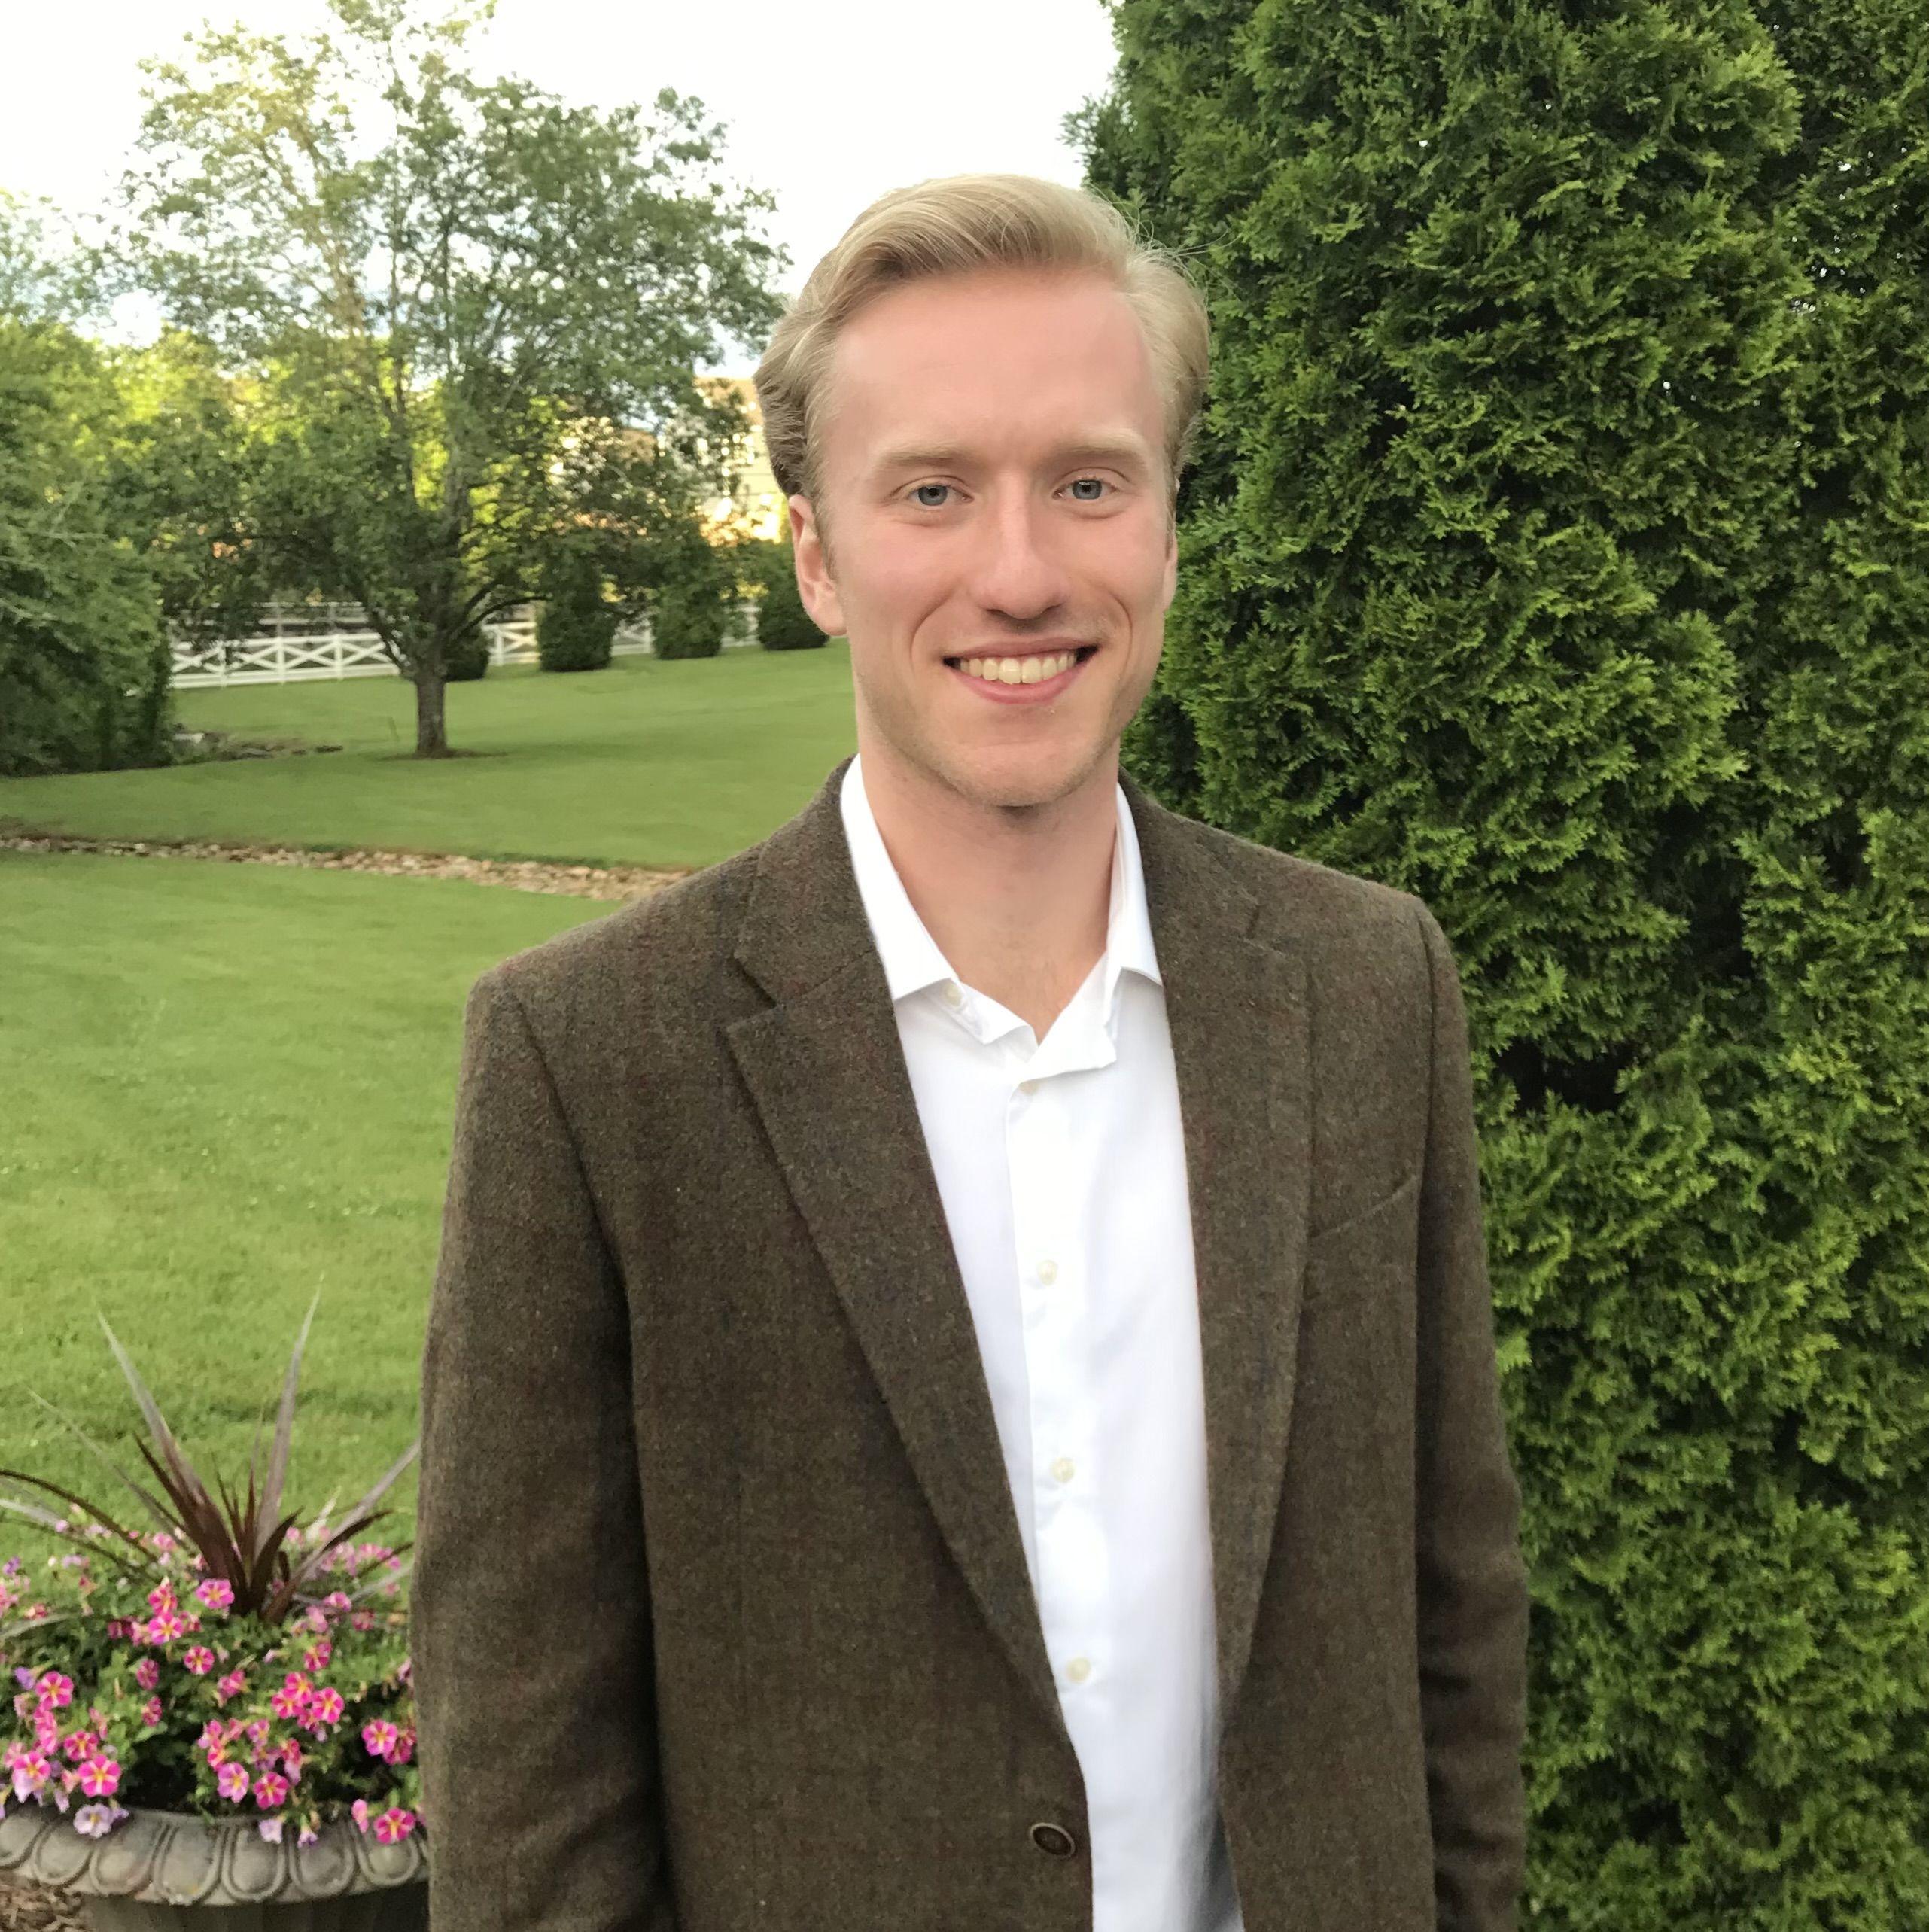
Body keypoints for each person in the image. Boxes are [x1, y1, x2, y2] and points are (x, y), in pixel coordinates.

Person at [412, 172, 1529, 1932]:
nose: (1021, 574)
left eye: (1088, 482)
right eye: (932, 491)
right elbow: (525, 1768)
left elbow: (1450, 1607)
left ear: (1166, 527)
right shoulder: (592, 1061)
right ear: (816, 555)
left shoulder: (1365, 983)